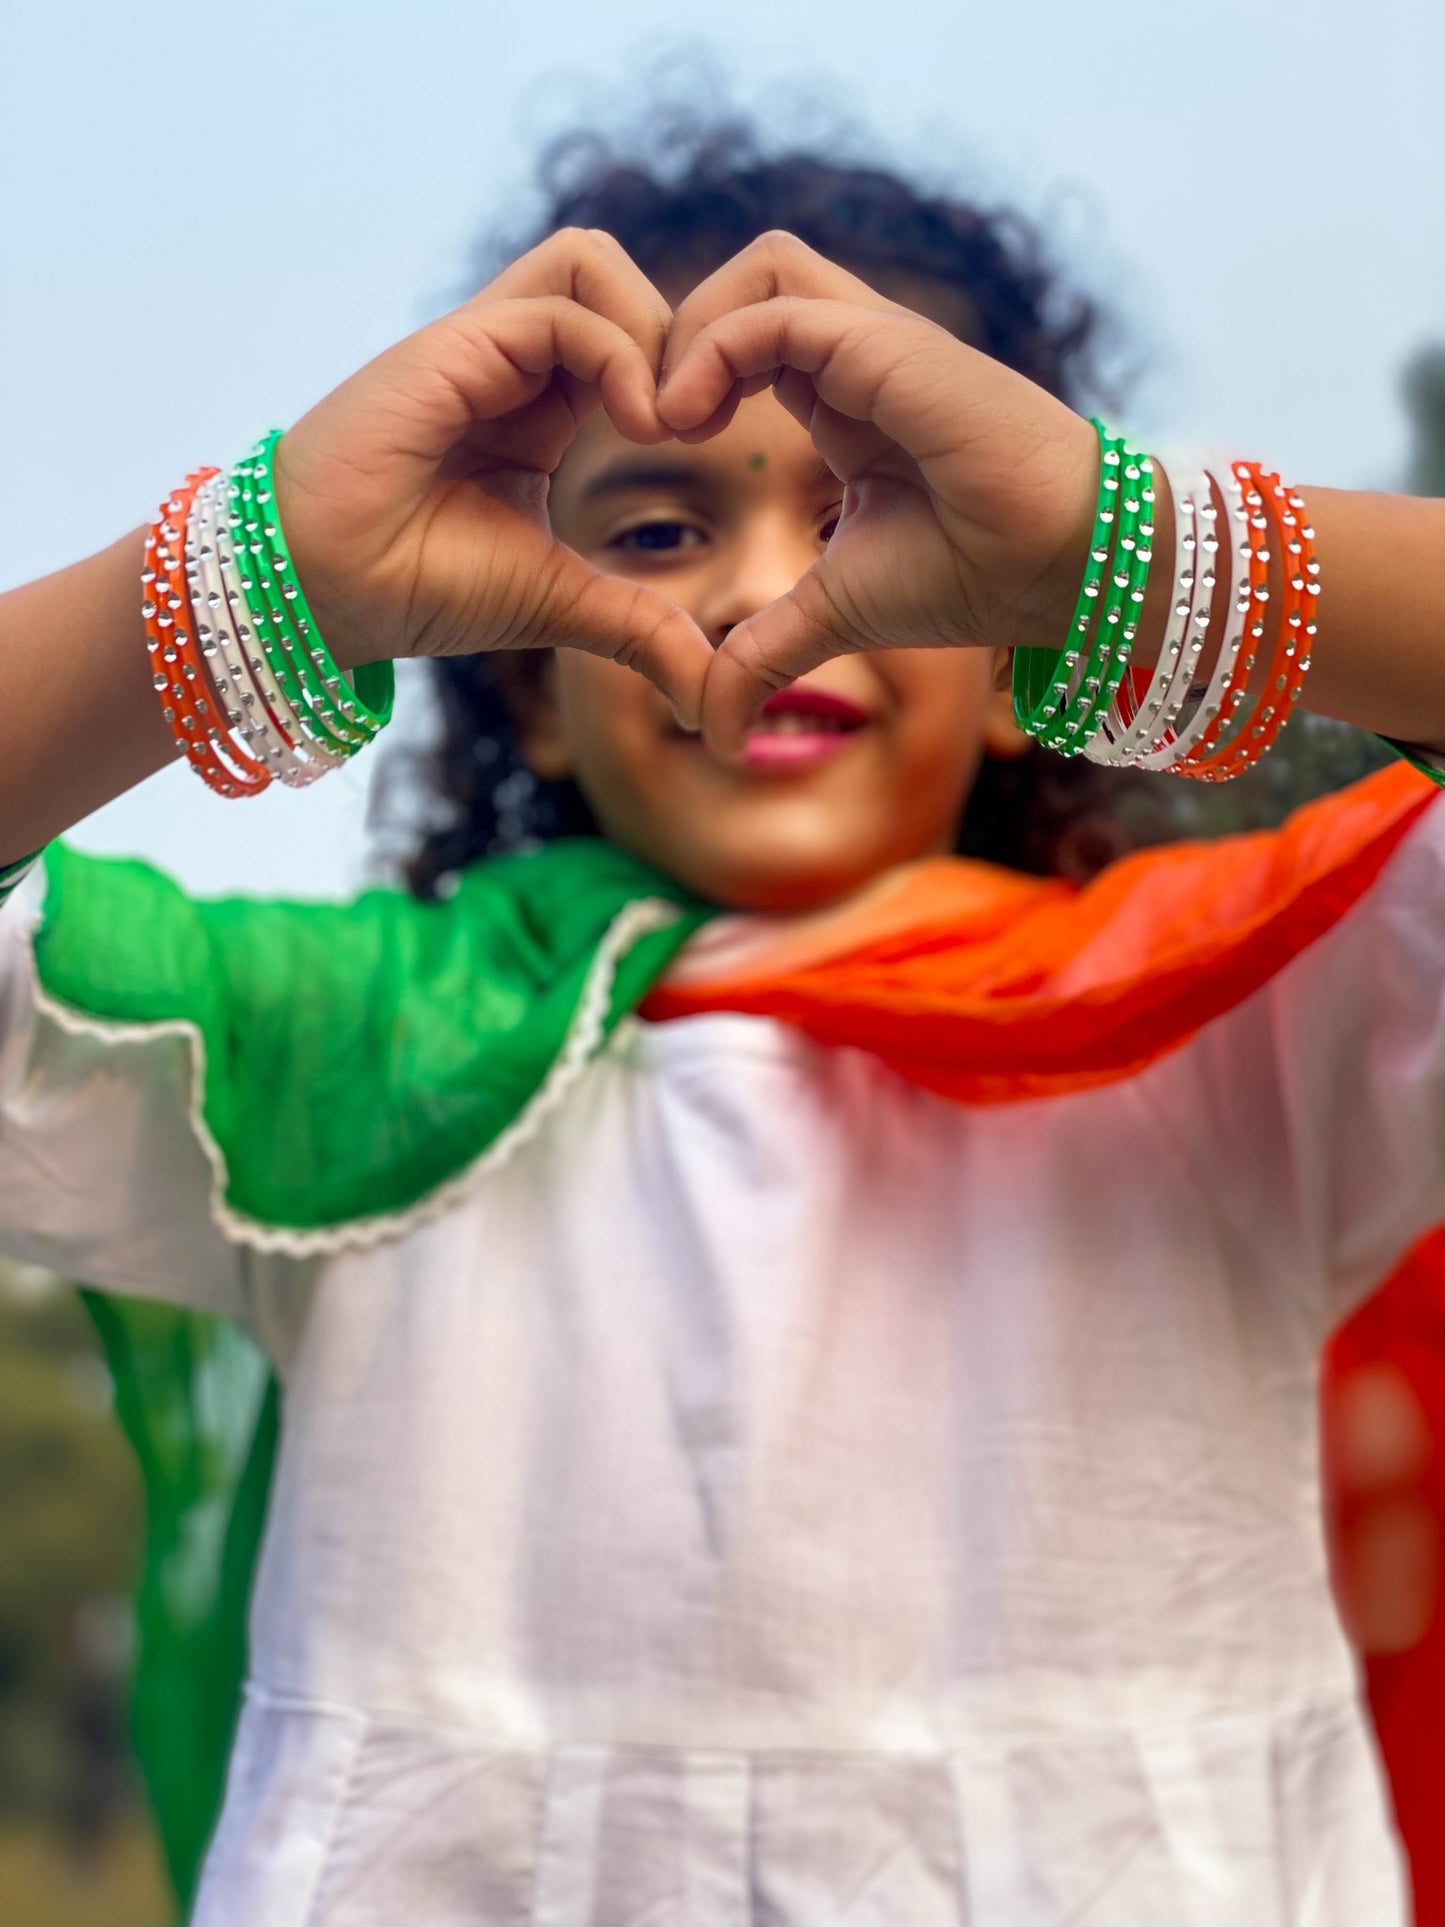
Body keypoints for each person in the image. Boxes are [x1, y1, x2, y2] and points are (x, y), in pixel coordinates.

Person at [3, 117, 1445, 1925]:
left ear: (1023, 660)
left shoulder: (1260, 1010)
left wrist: (1130, 549)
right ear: (528, 690)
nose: (764, 594)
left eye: (874, 522)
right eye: (661, 526)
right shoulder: (324, 1054)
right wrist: (256, 573)